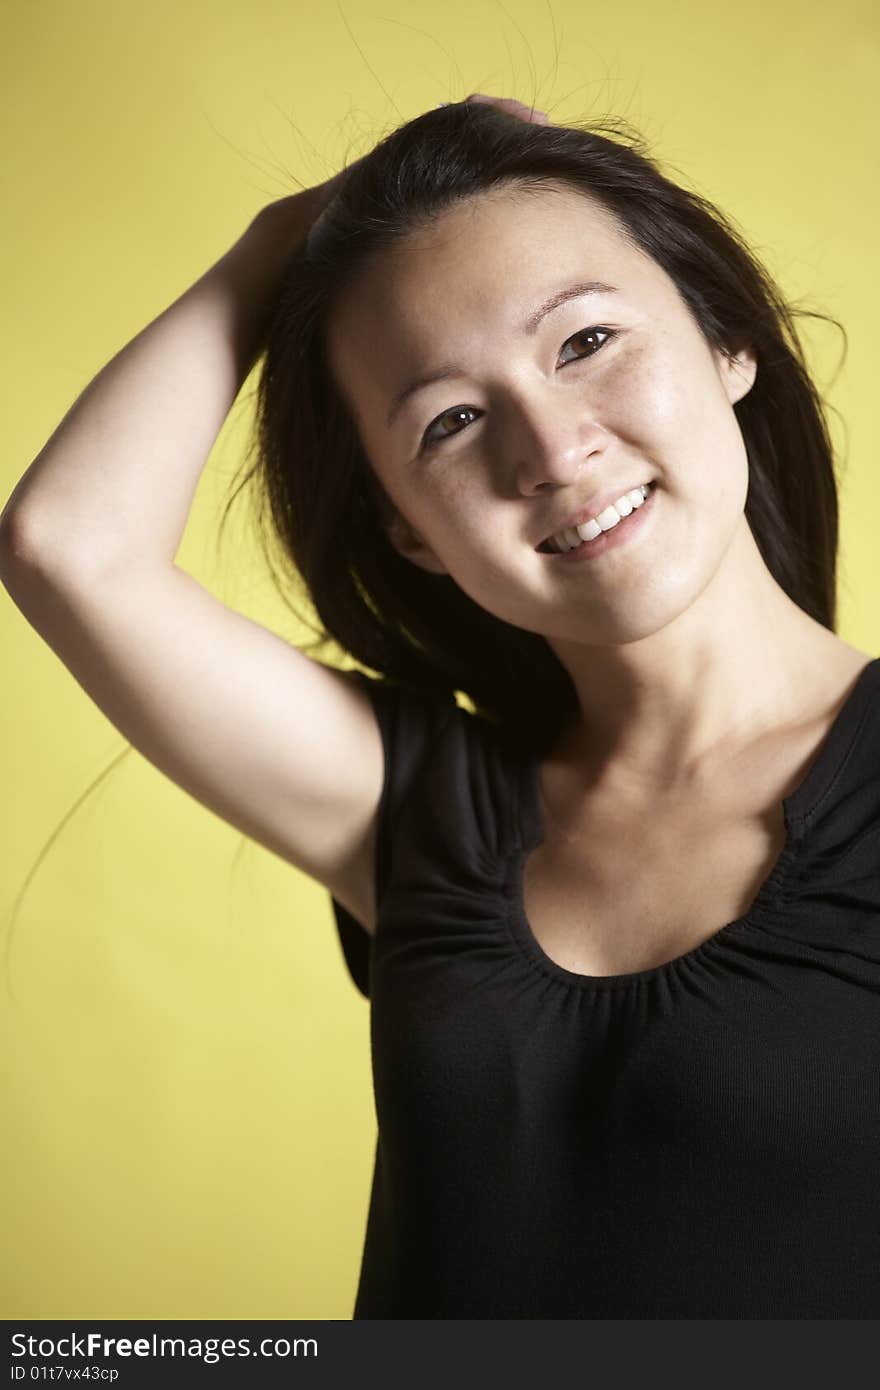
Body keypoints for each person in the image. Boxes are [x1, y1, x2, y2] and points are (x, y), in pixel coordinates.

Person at [2, 95, 878, 1319]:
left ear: (728, 342)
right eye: (450, 421)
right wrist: (287, 234)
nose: (552, 448)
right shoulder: (417, 810)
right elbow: (65, 548)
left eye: (584, 343)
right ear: (410, 532)